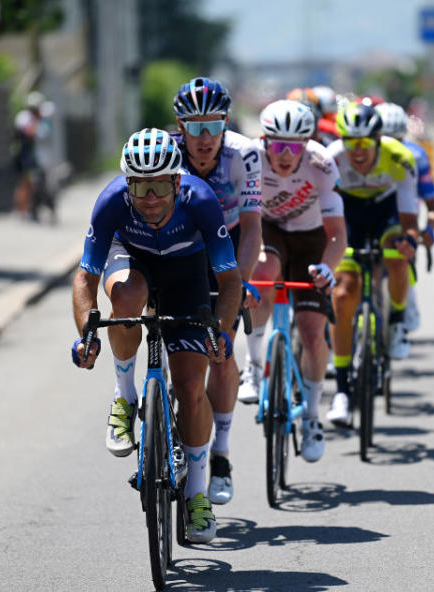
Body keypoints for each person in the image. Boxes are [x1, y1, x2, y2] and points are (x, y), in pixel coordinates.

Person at [71, 128, 241, 544]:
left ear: (176, 181)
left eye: (160, 185)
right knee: (127, 297)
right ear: (128, 183)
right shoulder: (112, 201)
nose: (150, 197)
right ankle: (126, 395)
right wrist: (86, 336)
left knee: (190, 386)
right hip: (133, 261)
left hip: (187, 274)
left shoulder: (200, 200)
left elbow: (230, 280)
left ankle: (198, 495)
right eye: (141, 187)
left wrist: (220, 332)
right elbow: (85, 276)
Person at [241, 99, 346, 462]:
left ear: (308, 143)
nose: (286, 155)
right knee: (264, 273)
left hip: (312, 237)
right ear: (264, 140)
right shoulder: (249, 158)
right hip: (267, 229)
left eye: (295, 146)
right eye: (278, 145)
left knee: (313, 329)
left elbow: (337, 235)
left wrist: (329, 269)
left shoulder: (321, 164)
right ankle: (253, 369)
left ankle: (313, 416)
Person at [172, 77, 262, 506]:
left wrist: (239, 284)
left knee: (221, 352)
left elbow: (253, 228)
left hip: (228, 248)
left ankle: (220, 455)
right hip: (180, 251)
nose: (205, 138)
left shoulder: (244, 154)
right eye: (195, 127)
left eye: (214, 125)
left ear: (226, 122)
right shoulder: (166, 156)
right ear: (179, 127)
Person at [324, 101, 420, 427]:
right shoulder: (332, 159)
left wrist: (408, 241)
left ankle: (395, 320)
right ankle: (341, 390)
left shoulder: (399, 159)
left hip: (386, 213)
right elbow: (323, 211)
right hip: (348, 215)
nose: (358, 151)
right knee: (342, 293)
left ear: (378, 140)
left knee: (396, 255)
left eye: (365, 143)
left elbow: (408, 219)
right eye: (352, 142)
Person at [375, 102, 434, 332]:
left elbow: (433, 205)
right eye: (384, 139)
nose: (392, 147)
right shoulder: (361, 154)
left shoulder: (415, 157)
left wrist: (429, 230)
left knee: (402, 257)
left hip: (401, 219)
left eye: (397, 140)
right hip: (370, 216)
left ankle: (401, 315)